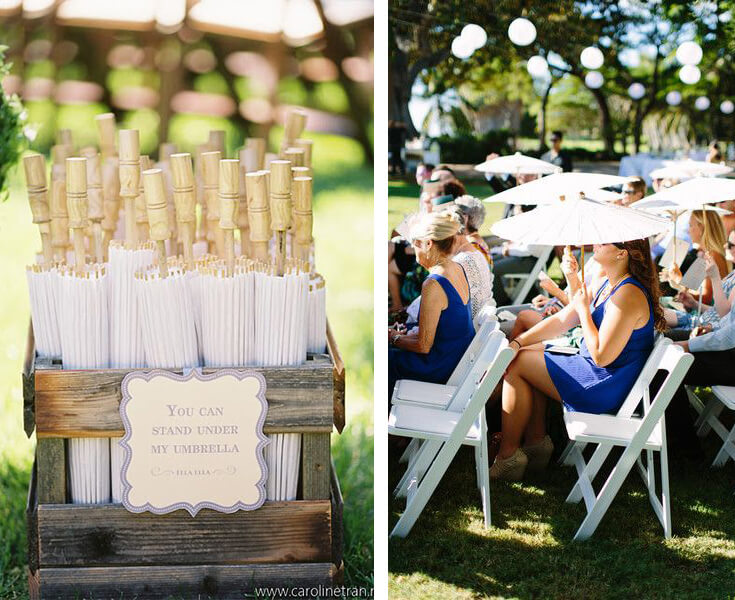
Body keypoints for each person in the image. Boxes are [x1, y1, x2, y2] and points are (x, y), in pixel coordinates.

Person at [490, 238, 663, 481]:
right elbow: (562, 320)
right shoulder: (606, 281)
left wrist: (583, 310)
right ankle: (534, 444)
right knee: (524, 355)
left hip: (604, 385)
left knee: (519, 364)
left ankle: (509, 456)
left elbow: (602, 357)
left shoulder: (628, 294)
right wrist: (518, 342)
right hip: (593, 371)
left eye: (605, 242)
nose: (597, 244)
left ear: (622, 254)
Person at [388, 211, 474, 397]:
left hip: (439, 367)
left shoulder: (433, 284)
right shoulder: (456, 268)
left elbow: (424, 346)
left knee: (386, 358)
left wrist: (394, 338)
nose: (413, 247)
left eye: (416, 243)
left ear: (429, 244)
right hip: (455, 358)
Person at [660, 209, 729, 307]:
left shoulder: (712, 256)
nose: (688, 230)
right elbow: (690, 289)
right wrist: (674, 282)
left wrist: (678, 279)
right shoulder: (703, 254)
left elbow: (704, 298)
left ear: (702, 228)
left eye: (691, 225)